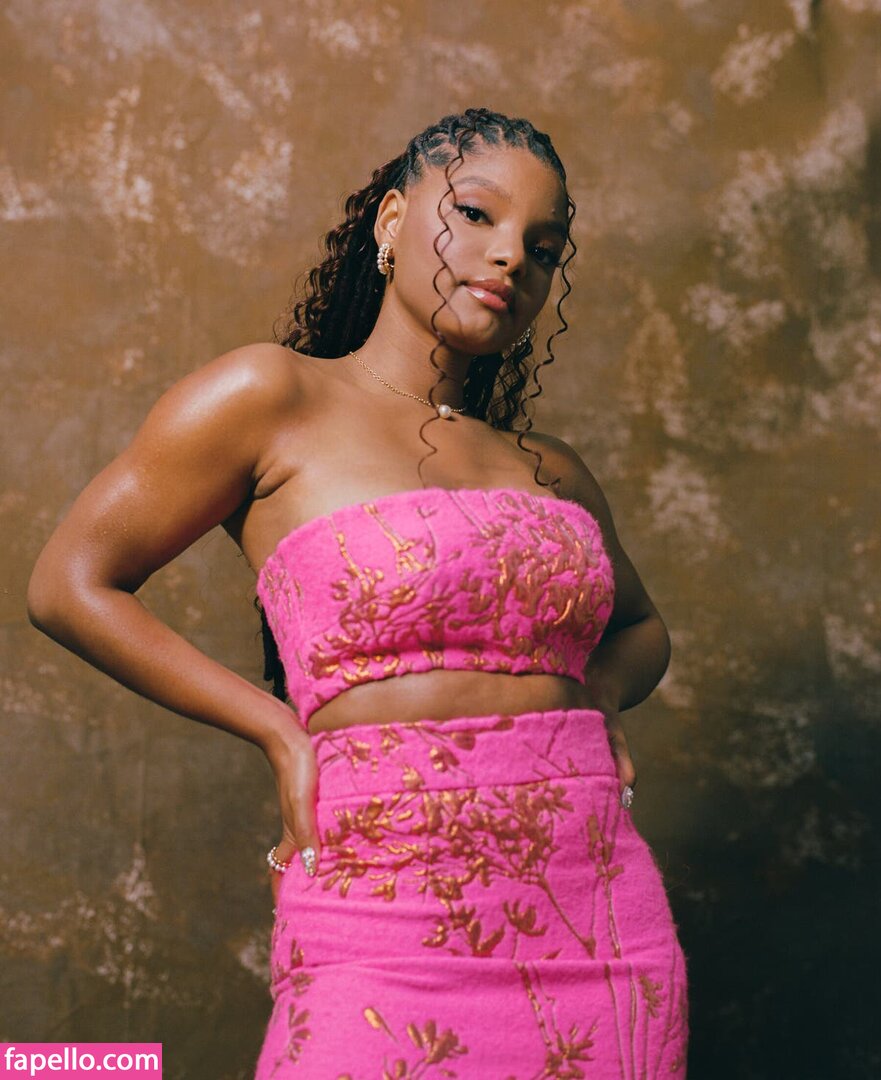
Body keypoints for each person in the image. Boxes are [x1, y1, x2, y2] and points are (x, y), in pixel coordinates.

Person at [27, 107, 689, 1076]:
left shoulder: (549, 469)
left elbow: (638, 628)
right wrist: (279, 731)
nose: (510, 256)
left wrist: (598, 697)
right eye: (475, 214)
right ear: (390, 220)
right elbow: (69, 585)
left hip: (593, 906)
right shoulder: (271, 397)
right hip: (382, 890)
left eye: (542, 248)